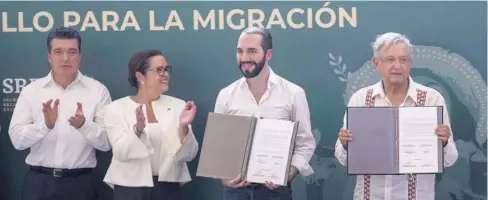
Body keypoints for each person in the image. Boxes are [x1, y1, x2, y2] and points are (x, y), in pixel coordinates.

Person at [334, 32, 459, 200]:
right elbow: (344, 160)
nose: (398, 66)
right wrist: (345, 144)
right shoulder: (361, 99)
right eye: (390, 60)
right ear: (376, 64)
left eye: (403, 60)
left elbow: (449, 159)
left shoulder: (432, 99)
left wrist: (443, 143)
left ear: (410, 63)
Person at [8, 27, 112, 200]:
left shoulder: (98, 91)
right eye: (58, 52)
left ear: (80, 56)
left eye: (72, 52)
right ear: (49, 56)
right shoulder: (31, 91)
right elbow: (17, 141)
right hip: (39, 184)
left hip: (81, 184)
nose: (65, 58)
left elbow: (107, 143)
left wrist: (84, 125)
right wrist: (45, 126)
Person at [214, 27, 316, 200]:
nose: (245, 58)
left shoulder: (293, 93)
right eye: (240, 51)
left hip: (276, 192)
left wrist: (287, 174)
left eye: (252, 51)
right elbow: (218, 144)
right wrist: (224, 178)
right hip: (235, 192)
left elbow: (305, 143)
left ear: (268, 54)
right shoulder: (226, 95)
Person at [102, 50, 199, 200]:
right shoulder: (116, 108)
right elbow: (121, 152)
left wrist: (184, 127)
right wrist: (137, 130)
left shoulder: (178, 106)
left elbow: (189, 154)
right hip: (129, 188)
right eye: (158, 70)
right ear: (140, 76)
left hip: (168, 188)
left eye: (166, 69)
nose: (165, 74)